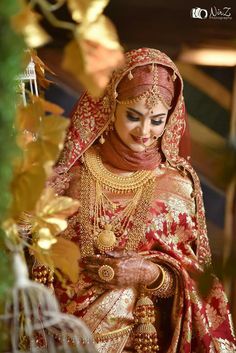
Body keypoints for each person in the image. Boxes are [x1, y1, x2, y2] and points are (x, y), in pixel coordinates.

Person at [32, 48, 236, 352]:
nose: (145, 132)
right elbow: (33, 250)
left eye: (157, 120)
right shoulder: (70, 173)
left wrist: (148, 273)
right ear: (111, 105)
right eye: (133, 116)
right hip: (56, 338)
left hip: (137, 341)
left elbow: (197, 281)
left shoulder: (179, 186)